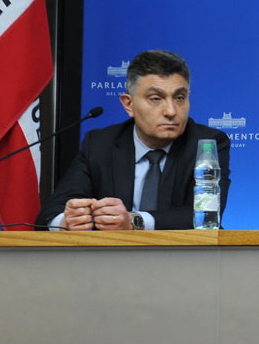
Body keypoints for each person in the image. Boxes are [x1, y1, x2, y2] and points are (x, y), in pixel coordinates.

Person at [37, 50, 231, 230]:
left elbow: (206, 216)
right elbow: (50, 213)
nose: (171, 111)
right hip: (110, 262)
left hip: (190, 261)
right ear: (128, 104)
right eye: (156, 99)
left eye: (179, 98)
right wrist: (67, 220)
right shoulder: (100, 144)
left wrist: (133, 220)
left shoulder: (207, 144)